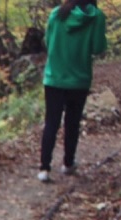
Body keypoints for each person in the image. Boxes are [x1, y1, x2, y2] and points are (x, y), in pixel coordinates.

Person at [39, 0, 108, 182]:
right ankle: (68, 163)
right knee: (72, 122)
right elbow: (98, 48)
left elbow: (48, 41)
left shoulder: (56, 14)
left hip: (54, 77)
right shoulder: (96, 17)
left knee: (51, 122)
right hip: (79, 79)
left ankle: (44, 167)